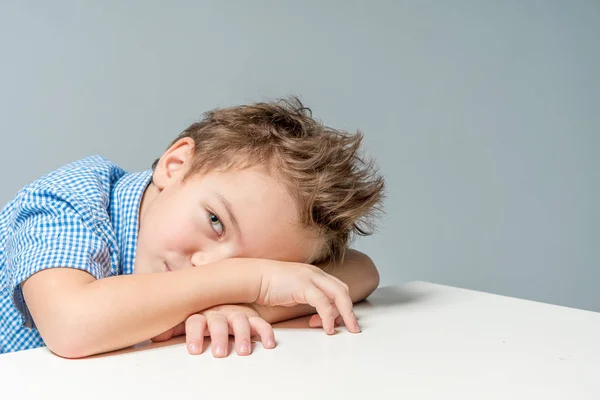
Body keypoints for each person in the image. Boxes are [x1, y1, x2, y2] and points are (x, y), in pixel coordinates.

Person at [0, 96, 384, 358]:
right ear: (176, 165)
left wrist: (245, 306)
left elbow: (362, 270)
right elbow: (70, 323)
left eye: (248, 262)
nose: (211, 268)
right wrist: (256, 281)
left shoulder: (206, 264)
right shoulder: (69, 200)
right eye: (216, 222)